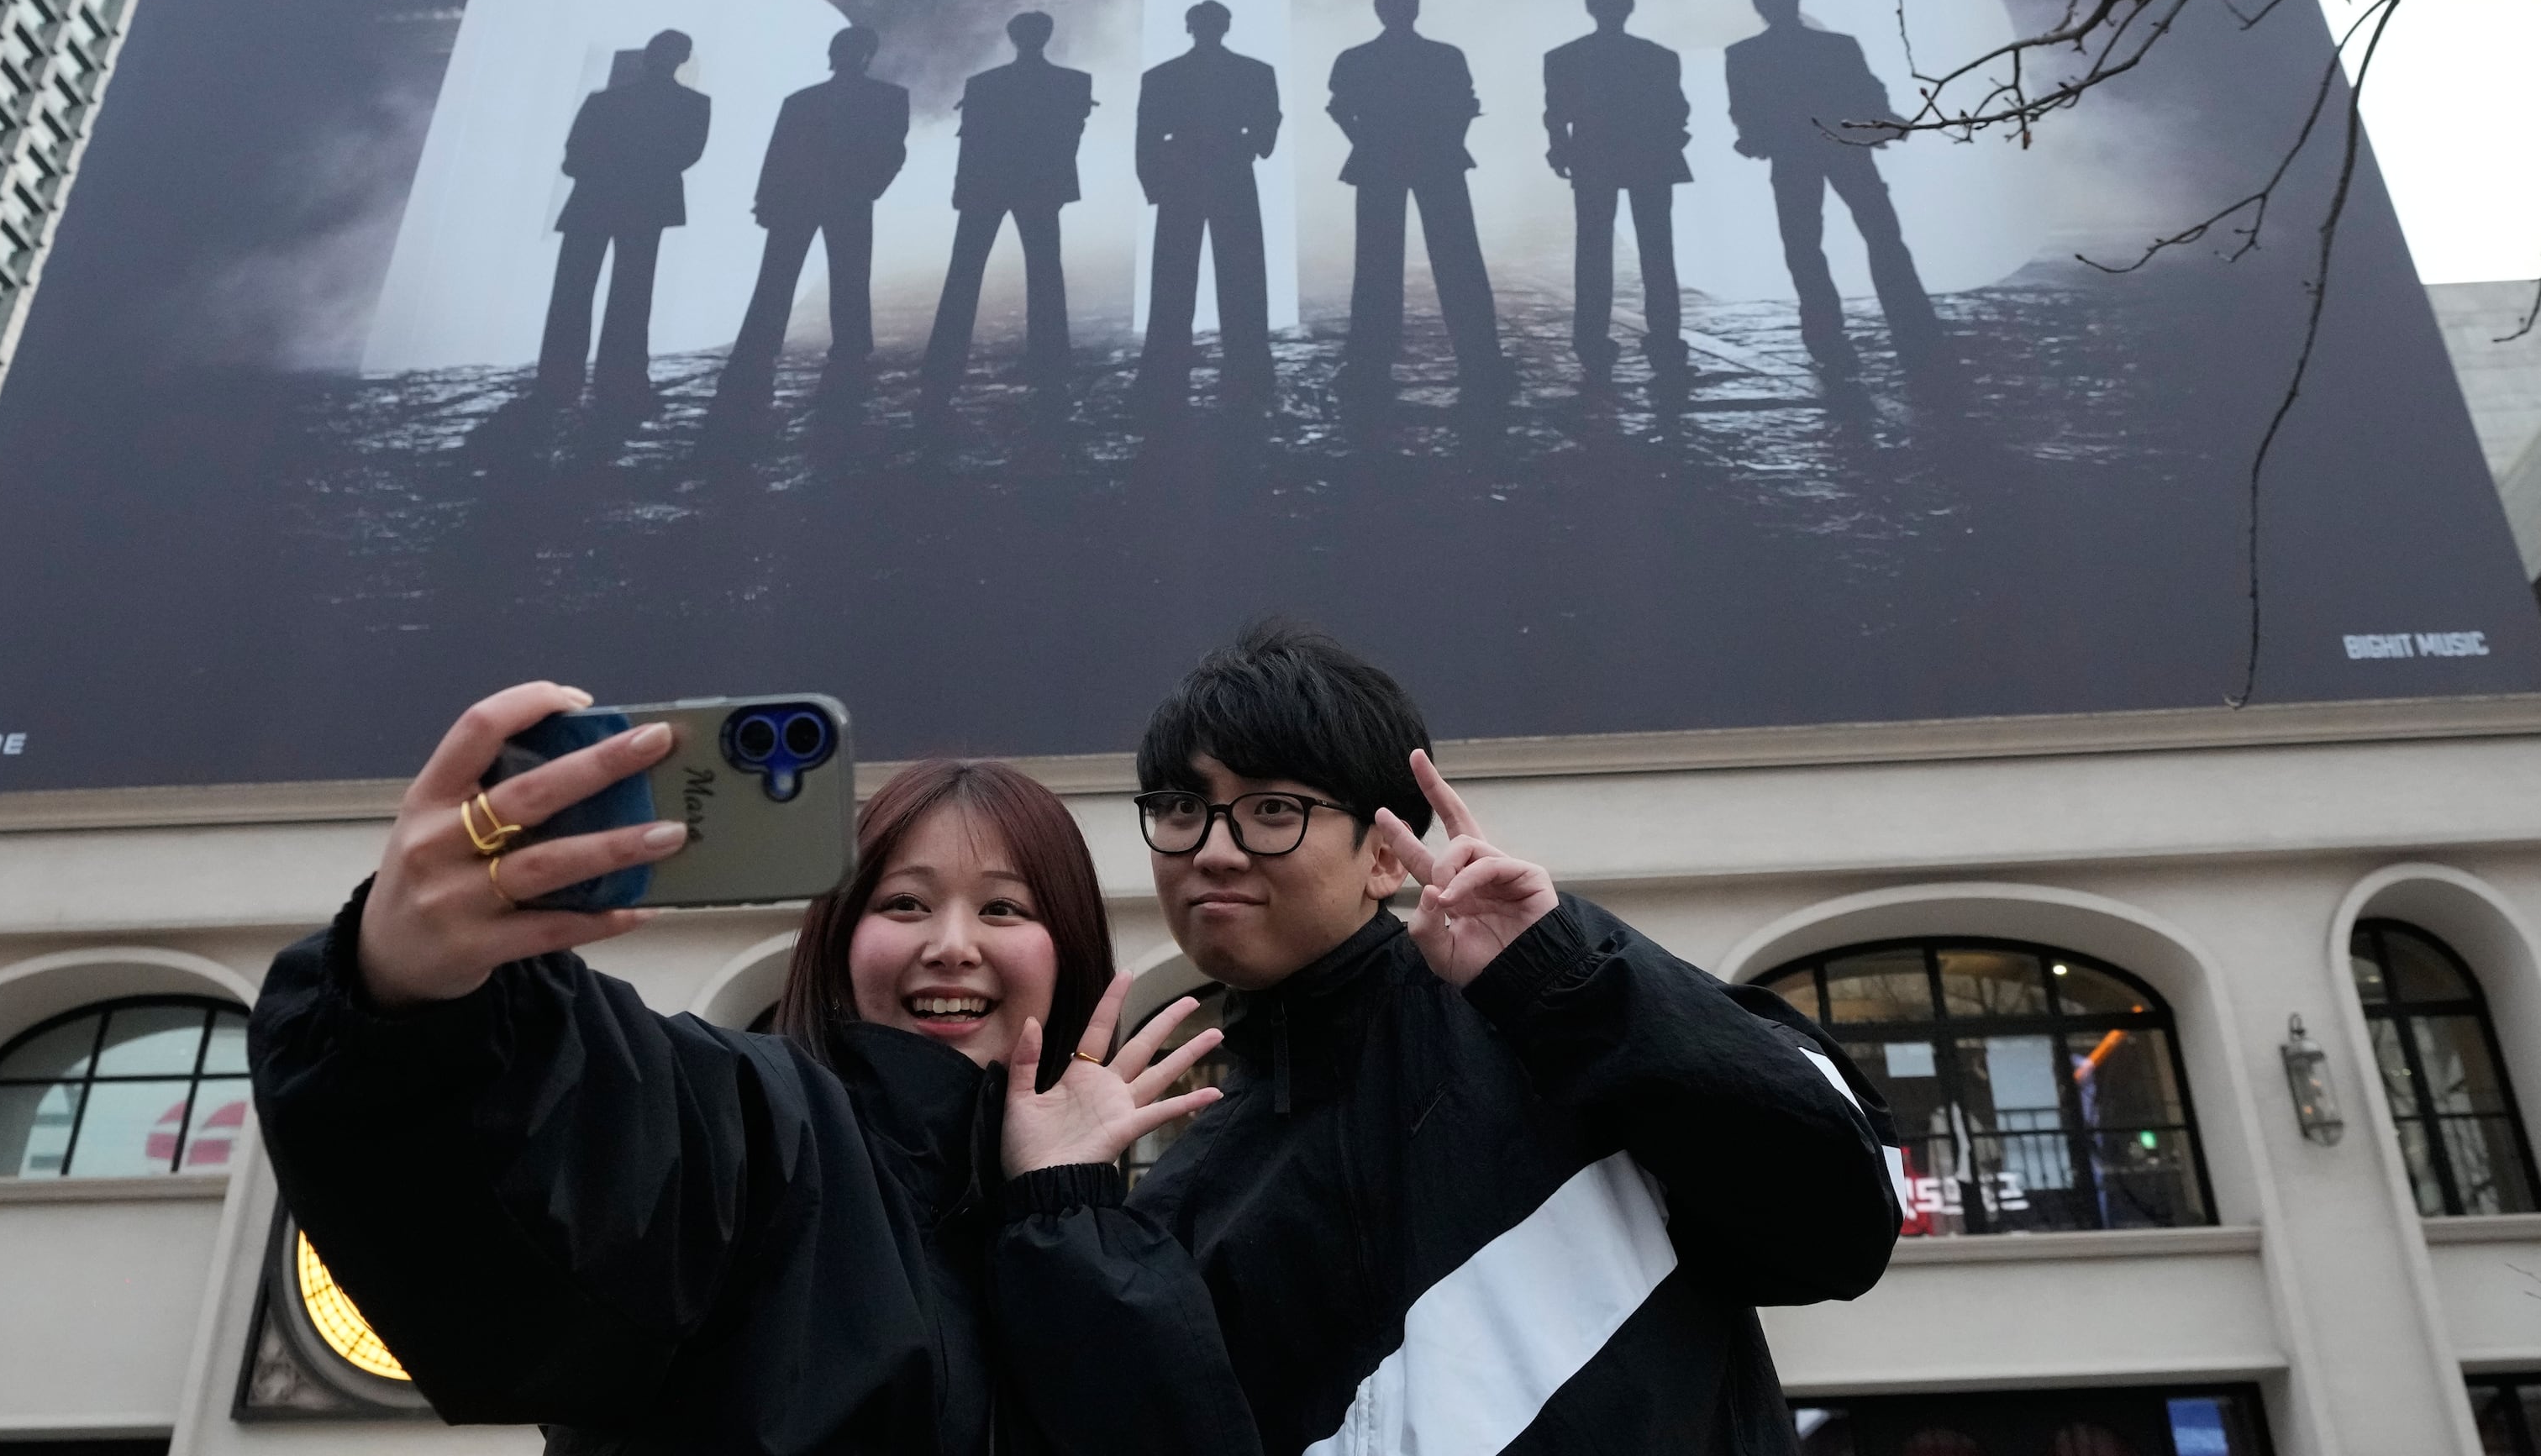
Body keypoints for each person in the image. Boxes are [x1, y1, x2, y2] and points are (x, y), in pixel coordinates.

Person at [992, 624, 1904, 1456]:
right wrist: (1063, 1208)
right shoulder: (1193, 1192)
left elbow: (1845, 1216)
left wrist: (1560, 974)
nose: (1214, 849)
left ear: (1386, 854)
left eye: (1273, 810)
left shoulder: (1562, 1031)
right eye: (1183, 808)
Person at [251, 682, 1224, 1456]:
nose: (953, 946)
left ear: (1072, 957)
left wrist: (1061, 1212)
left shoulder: (1112, 1241)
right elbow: (579, 1112)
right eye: (904, 905)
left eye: (1005, 911)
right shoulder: (765, 1129)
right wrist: (417, 989)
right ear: (838, 943)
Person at [1724, 0, 1936, 364]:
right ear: (1797, 2)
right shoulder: (1839, 46)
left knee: (1803, 243)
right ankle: (1910, 319)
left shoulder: (1744, 54)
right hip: (1846, 148)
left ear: (1760, 9)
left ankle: (1821, 324)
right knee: (1883, 234)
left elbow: (1744, 109)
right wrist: (1884, 124)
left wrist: (1755, 139)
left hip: (1791, 154)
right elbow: (1868, 91)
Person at [1328, 0, 1507, 398]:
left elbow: (1339, 108)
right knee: (1459, 256)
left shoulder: (1356, 59)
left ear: (1379, 13)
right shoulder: (1446, 56)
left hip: (1377, 161)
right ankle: (1480, 353)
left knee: (1375, 262)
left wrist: (1364, 141)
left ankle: (1369, 357)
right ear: (1416, 11)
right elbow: (1465, 105)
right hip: (1438, 158)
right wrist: (1449, 141)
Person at [723, 25, 912, 400]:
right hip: (847, 198)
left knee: (779, 276)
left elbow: (777, 156)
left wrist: (766, 200)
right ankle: (851, 347)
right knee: (849, 274)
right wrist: (869, 188)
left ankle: (761, 347)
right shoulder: (889, 98)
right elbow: (893, 151)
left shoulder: (801, 101)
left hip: (801, 198)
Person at [923, 12, 1094, 409]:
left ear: (1012, 38)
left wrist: (961, 189)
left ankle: (943, 364)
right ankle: (1050, 362)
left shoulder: (984, 85)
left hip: (987, 185)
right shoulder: (1073, 83)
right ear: (1047, 36)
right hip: (1039, 186)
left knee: (964, 272)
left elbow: (971, 144)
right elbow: (1068, 139)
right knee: (1046, 272)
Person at [542, 30, 709, 406]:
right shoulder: (694, 105)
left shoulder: (605, 102)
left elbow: (574, 157)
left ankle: (559, 374)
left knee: (575, 290)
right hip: (646, 203)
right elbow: (684, 155)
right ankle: (621, 373)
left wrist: (605, 171)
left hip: (594, 200)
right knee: (632, 292)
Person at [1542, 0, 1692, 381]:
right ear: (1629, 10)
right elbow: (1676, 111)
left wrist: (1560, 151)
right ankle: (1665, 334)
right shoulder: (1659, 57)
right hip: (1650, 157)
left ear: (1590, 10)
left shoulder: (1563, 58)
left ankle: (1590, 337)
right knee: (1658, 250)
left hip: (1593, 158)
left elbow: (1556, 114)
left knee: (1592, 250)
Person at [1135, 0, 1281, 400]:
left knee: (1172, 273)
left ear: (1189, 28)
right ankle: (1249, 356)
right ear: (1227, 26)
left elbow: (1145, 138)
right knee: (1243, 269)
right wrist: (1251, 144)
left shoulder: (1163, 76)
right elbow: (1268, 126)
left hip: (1181, 175)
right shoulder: (1254, 72)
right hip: (1233, 171)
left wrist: (1153, 186)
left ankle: (1165, 357)